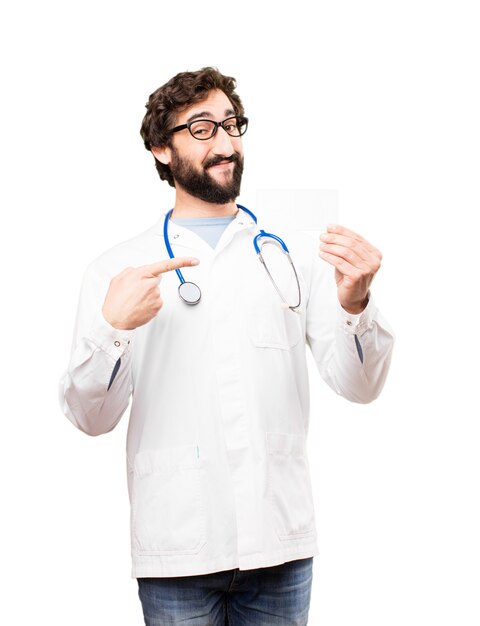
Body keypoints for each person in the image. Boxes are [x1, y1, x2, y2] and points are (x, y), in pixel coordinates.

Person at [59, 67, 395, 626]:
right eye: (201, 128)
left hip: (280, 541)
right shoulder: (117, 269)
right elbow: (90, 418)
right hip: (179, 545)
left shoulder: (292, 253)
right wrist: (113, 329)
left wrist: (357, 305)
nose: (224, 142)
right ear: (161, 150)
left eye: (232, 124)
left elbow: (360, 387)